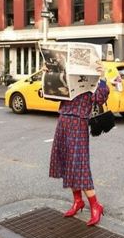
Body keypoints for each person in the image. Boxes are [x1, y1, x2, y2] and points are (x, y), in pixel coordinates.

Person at [42, 61, 109, 226]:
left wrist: (103, 77)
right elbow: (48, 95)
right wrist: (47, 75)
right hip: (63, 121)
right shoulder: (66, 77)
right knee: (67, 163)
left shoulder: (91, 79)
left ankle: (95, 205)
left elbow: (100, 99)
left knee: (79, 166)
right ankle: (78, 201)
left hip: (79, 124)